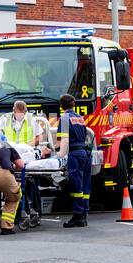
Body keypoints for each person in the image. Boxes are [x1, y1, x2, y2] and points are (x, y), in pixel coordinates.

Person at [56, 94, 91, 228]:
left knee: (76, 186)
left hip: (75, 154)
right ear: (73, 105)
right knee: (85, 185)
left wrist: (59, 155)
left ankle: (78, 216)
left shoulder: (64, 118)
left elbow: (65, 140)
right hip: (85, 153)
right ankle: (84, 215)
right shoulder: (80, 118)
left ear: (61, 106)